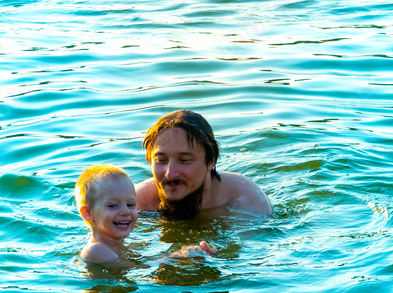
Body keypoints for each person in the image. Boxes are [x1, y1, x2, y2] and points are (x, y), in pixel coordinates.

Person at [135, 110, 272, 219]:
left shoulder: (247, 202)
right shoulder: (137, 205)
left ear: (211, 161)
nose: (170, 174)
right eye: (161, 160)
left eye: (184, 160)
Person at [76, 164, 216, 266]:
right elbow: (140, 269)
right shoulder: (96, 249)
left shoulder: (116, 244)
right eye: (113, 206)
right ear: (88, 213)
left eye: (131, 205)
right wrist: (178, 256)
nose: (125, 211)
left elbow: (144, 261)